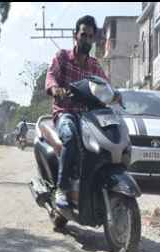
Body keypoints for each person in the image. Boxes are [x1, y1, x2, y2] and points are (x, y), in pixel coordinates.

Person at [44, 15, 111, 209]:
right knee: (71, 137)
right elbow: (51, 77)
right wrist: (56, 89)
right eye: (83, 35)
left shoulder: (94, 66)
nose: (87, 40)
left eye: (90, 36)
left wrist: (115, 96)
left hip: (88, 118)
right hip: (65, 113)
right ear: (76, 35)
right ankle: (62, 189)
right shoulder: (62, 57)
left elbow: (106, 86)